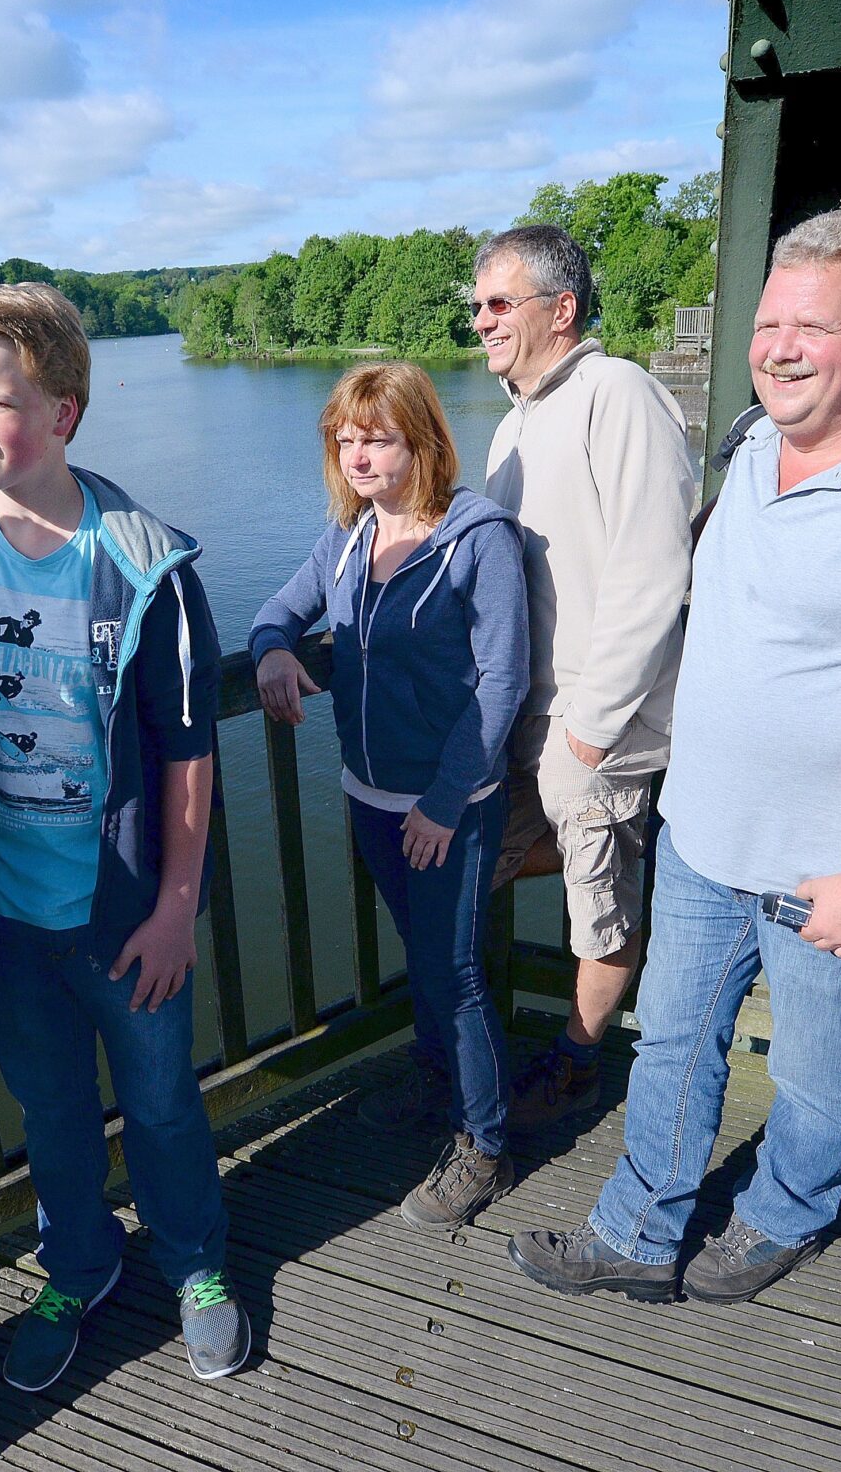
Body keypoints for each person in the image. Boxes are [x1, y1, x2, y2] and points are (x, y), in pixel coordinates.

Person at [508, 210, 841, 1306]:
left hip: (830, 867)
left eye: (811, 327)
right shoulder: (747, 444)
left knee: (816, 1069)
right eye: (768, 321)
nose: (778, 346)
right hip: (702, 830)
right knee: (672, 1043)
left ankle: (785, 1215)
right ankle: (637, 1232)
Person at [0, 282, 248, 1394]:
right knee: (50, 1112)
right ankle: (78, 1265)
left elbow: (187, 749)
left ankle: (196, 1265)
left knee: (158, 1105)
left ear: (65, 412)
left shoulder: (148, 569)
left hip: (124, 911)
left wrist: (177, 905)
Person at [250, 362, 530, 1231]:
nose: (358, 454)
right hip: (369, 795)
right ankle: (439, 1080)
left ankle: (485, 1143)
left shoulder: (478, 538)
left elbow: (501, 678)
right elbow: (280, 609)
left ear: (422, 441)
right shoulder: (346, 534)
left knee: (455, 973)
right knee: (425, 956)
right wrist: (271, 651)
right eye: (346, 438)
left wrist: (446, 801)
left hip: (448, 803)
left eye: (378, 438)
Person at [467, 224, 696, 1133]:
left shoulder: (617, 393)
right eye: (477, 304)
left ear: (561, 310)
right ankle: (475, 1042)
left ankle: (580, 1057)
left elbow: (652, 570)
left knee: (598, 903)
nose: (481, 320)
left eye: (499, 303)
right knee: (470, 861)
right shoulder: (515, 421)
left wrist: (591, 730)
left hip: (599, 719)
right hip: (528, 714)